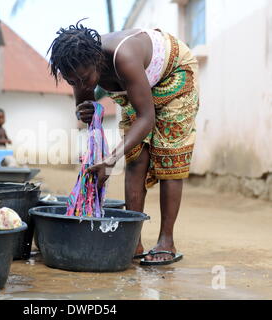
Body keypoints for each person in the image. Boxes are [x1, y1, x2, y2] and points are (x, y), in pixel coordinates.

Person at [48, 20, 199, 265]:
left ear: (97, 61)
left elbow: (147, 118)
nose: (81, 86)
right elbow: (84, 110)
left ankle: (166, 241)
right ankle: (133, 240)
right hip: (136, 89)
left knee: (170, 156)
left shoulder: (123, 57)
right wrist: (82, 112)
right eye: (72, 82)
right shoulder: (79, 69)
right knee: (136, 158)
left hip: (174, 74)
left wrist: (109, 160)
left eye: (85, 79)